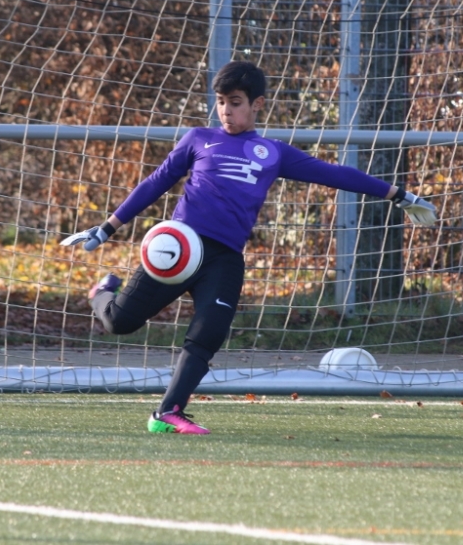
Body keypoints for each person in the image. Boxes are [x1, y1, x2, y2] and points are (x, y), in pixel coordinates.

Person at [62, 60, 437, 435]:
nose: (226, 110)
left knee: (207, 336)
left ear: (257, 104)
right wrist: (107, 228)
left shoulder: (273, 152)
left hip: (224, 259)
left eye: (235, 101)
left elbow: (335, 174)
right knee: (119, 322)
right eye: (221, 101)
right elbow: (155, 182)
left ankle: (167, 414)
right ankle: (102, 292)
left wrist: (399, 195)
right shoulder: (197, 138)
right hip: (178, 248)